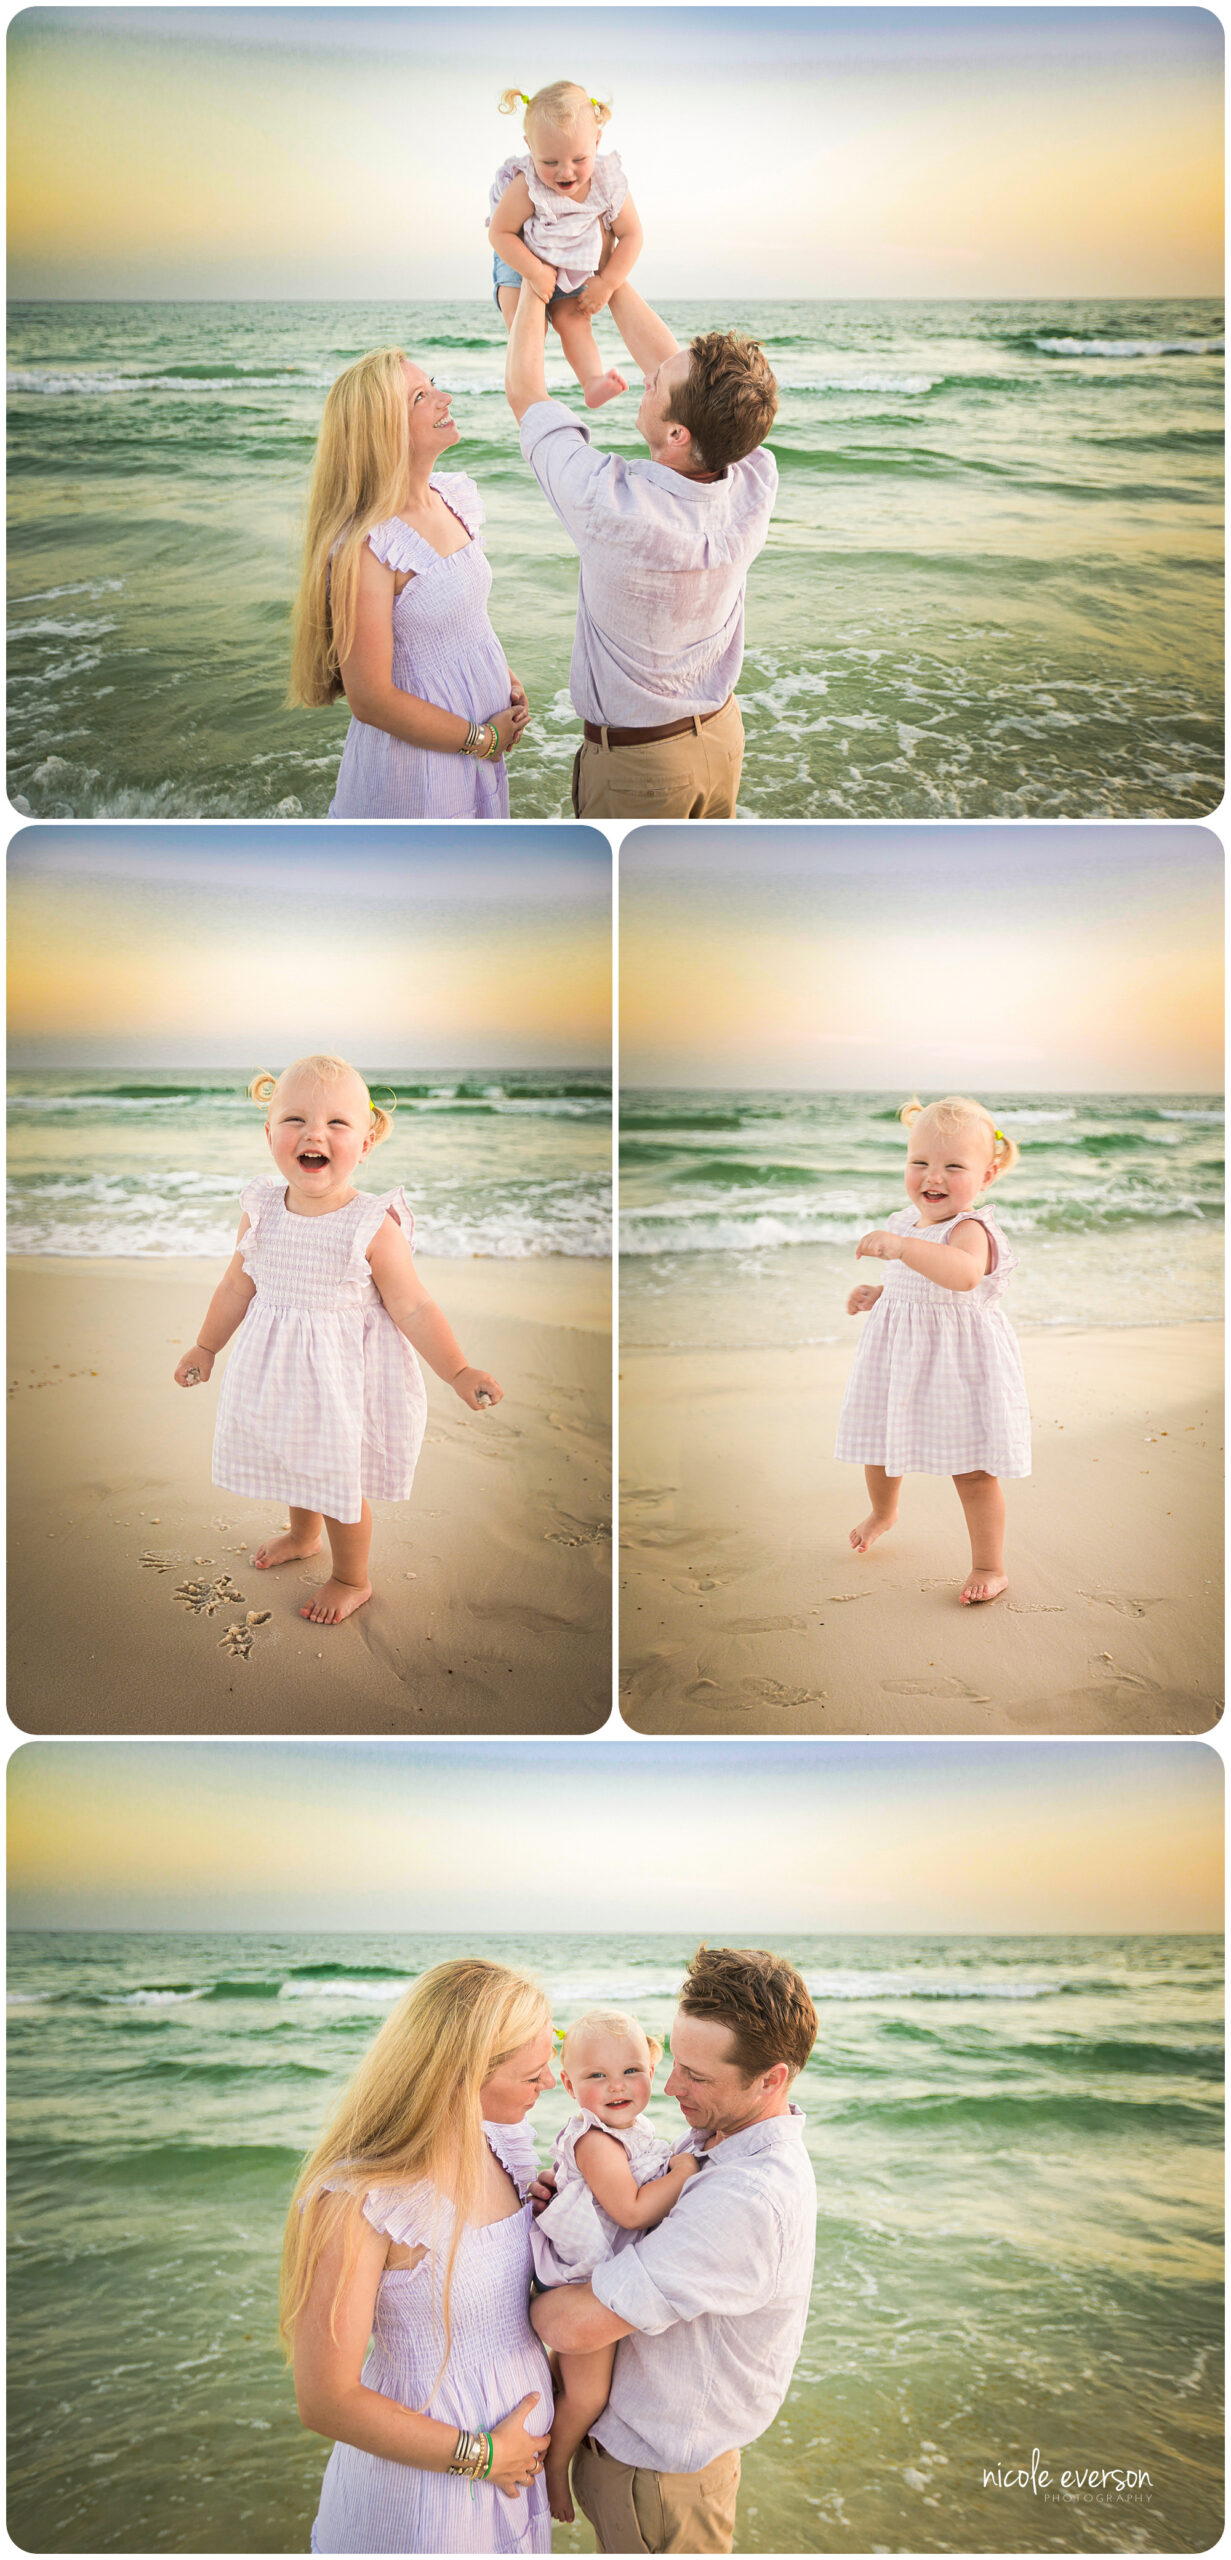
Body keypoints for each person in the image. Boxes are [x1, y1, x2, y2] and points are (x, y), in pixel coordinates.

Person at [173, 1053, 502, 1627]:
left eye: (337, 1123)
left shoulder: (371, 1224)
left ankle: (353, 1577)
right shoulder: (260, 1210)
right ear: (269, 1132)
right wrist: (205, 1346)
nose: (314, 1134)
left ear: (367, 1141)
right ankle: (303, 1535)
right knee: (295, 1456)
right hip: (279, 1371)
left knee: (338, 1478)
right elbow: (235, 1285)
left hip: (342, 1378)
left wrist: (458, 1370)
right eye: (295, 1120)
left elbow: (415, 1306)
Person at [530, 1945, 818, 2556]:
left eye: (698, 2076)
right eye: (675, 2060)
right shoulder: (718, 2131)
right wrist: (573, 2205)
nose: (668, 2086)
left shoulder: (747, 2197)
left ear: (772, 2080)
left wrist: (511, 2274)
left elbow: (571, 2326)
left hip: (659, 2485)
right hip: (639, 2464)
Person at [281, 1957, 555, 2553]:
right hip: (423, 2497)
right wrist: (482, 2457)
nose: (552, 2083)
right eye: (534, 2073)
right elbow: (325, 2399)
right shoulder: (362, 2199)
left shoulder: (503, 2146)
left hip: (510, 2485)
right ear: (462, 2075)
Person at [504, 274, 778, 819]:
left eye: (655, 384)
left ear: (677, 435)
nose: (646, 378)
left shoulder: (609, 505)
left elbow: (527, 396)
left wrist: (533, 287)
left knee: (618, 905)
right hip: (722, 741)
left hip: (641, 772)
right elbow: (686, 383)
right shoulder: (754, 480)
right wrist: (611, 276)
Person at [288, 348, 529, 817]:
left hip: (471, 754)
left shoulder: (451, 498)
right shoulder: (369, 545)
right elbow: (372, 700)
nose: (446, 398)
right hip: (417, 776)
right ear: (384, 432)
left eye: (433, 384)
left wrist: (501, 675)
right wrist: (485, 739)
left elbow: (460, 619)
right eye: (421, 396)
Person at [836, 1093, 1032, 1604]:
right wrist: (878, 1293)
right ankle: (884, 1511)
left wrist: (902, 1248)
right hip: (899, 1354)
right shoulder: (906, 1220)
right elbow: (911, 1281)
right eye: (919, 1162)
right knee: (878, 1443)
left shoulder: (972, 1229)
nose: (933, 1177)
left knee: (972, 1470)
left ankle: (990, 1564)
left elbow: (962, 1276)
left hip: (958, 1364)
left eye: (953, 1166)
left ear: (986, 1176)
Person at [530, 2009, 701, 2522]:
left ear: (653, 2066)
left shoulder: (628, 2130)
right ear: (567, 2083)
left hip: (601, 2271)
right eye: (595, 2075)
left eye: (630, 2070)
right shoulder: (596, 2139)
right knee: (588, 2395)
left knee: (567, 2379)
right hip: (585, 2280)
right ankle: (554, 2470)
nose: (617, 2086)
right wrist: (686, 2172)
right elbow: (630, 2208)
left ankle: (550, 2445)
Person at [488, 81, 644, 409]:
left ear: (597, 142)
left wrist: (607, 282)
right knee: (524, 325)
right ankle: (526, 388)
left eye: (579, 158)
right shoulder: (525, 184)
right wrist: (533, 270)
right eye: (550, 162)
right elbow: (500, 233)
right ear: (530, 147)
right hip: (520, 254)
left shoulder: (608, 182)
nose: (565, 171)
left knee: (574, 320)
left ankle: (592, 382)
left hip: (570, 256)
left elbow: (631, 235)